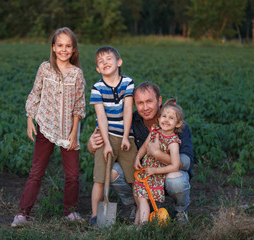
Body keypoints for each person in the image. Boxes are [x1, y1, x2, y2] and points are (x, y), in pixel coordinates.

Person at [88, 81, 193, 224]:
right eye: (139, 103)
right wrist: (91, 146)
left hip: (165, 173)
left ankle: (180, 211)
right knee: (114, 171)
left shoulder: (175, 124)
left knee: (177, 179)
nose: (145, 108)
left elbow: (186, 162)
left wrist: (157, 154)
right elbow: (112, 142)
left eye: (149, 101)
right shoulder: (129, 121)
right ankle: (134, 205)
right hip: (142, 176)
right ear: (133, 104)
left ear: (159, 101)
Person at [11, 27, 86, 227]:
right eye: (60, 45)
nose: (64, 49)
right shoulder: (45, 68)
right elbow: (35, 94)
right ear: (53, 48)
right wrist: (30, 119)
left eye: (68, 46)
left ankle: (69, 212)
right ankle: (22, 214)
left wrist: (74, 133)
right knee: (37, 171)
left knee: (72, 175)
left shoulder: (77, 74)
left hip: (68, 130)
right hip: (45, 126)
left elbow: (79, 105)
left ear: (73, 49)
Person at [89, 46, 137, 227]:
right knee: (100, 178)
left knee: (134, 177)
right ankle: (95, 216)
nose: (105, 63)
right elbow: (101, 116)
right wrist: (107, 143)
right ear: (98, 69)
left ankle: (139, 210)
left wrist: (126, 136)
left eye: (109, 59)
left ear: (119, 62)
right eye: (100, 62)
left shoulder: (128, 82)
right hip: (105, 136)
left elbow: (127, 110)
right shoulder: (97, 88)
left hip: (126, 136)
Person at [133, 98, 184, 225]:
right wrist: (137, 158)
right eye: (164, 116)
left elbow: (175, 166)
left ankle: (142, 227)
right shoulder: (155, 131)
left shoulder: (173, 142)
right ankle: (136, 225)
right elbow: (145, 146)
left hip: (155, 175)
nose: (166, 120)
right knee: (141, 199)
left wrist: (155, 170)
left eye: (171, 118)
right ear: (159, 118)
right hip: (146, 172)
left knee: (143, 200)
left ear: (178, 124)